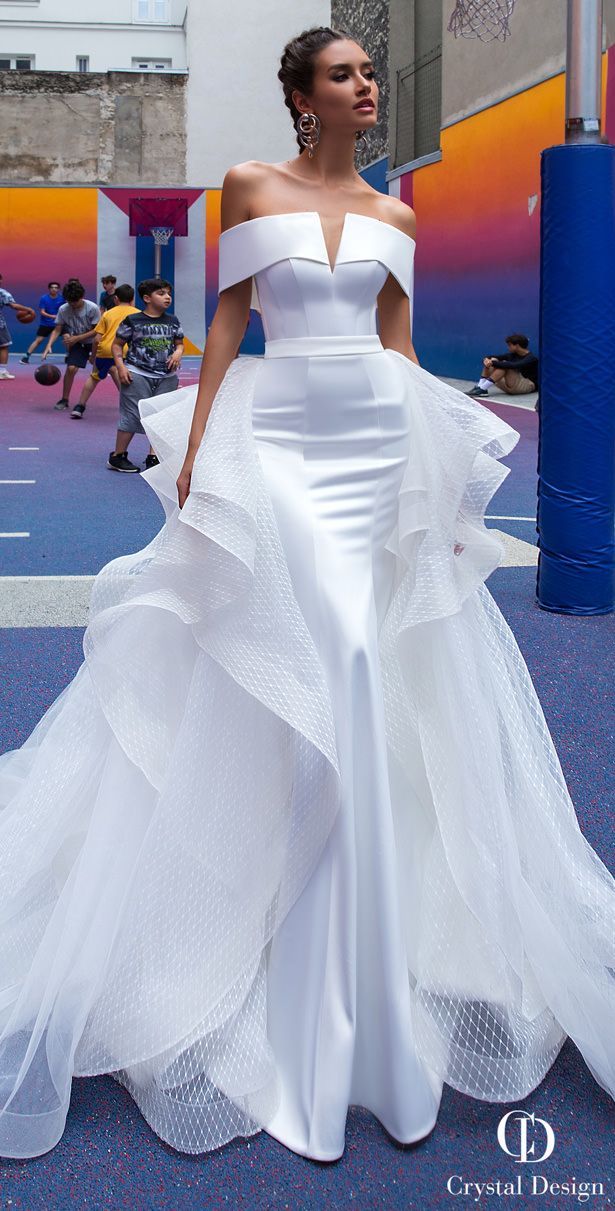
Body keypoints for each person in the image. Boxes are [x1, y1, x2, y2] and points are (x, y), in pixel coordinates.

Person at [0, 26, 613, 1166]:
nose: (366, 85)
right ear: (299, 96)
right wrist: (197, 450)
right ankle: (270, 954)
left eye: (371, 72)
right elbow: (231, 319)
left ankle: (364, 981)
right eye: (343, 73)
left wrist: (434, 461)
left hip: (373, 453)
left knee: (372, 673)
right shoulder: (248, 186)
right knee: (287, 663)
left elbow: (397, 342)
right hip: (276, 453)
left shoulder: (398, 220)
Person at [108, 277, 183, 472]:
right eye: (161, 293)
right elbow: (117, 344)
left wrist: (177, 353)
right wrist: (121, 367)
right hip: (136, 373)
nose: (167, 297)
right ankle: (118, 456)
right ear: (147, 298)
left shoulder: (173, 321)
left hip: (166, 376)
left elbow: (179, 343)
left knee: (161, 416)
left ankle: (153, 456)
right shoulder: (133, 320)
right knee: (132, 415)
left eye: (168, 293)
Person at [70, 283, 139, 420]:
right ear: (132, 299)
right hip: (124, 352)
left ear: (116, 299)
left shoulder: (108, 314)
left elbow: (97, 339)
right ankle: (132, 408)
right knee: (125, 380)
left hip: (105, 351)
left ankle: (80, 406)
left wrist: (93, 356)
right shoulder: (137, 314)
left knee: (94, 377)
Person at [42, 280, 101, 410]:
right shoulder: (63, 309)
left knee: (111, 371)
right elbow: (58, 329)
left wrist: (77, 338)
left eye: (75, 301)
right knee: (71, 369)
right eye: (70, 301)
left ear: (82, 297)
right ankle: (64, 399)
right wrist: (48, 345)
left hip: (95, 342)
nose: (73, 304)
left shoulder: (92, 308)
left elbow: (96, 331)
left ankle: (127, 402)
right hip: (78, 343)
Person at [466, 333, 539, 398]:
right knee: (493, 359)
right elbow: (492, 357)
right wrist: (486, 360)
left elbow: (515, 365)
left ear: (516, 346)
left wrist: (492, 362)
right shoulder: (512, 355)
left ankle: (482, 388)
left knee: (504, 365)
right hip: (512, 385)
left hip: (527, 386)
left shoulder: (531, 358)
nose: (508, 347)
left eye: (509, 345)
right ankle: (480, 387)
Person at [20, 281, 63, 363]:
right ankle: (25, 357)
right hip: (46, 323)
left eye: (56, 288)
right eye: (52, 287)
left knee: (67, 337)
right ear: (49, 289)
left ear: (58, 289)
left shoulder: (62, 299)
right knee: (38, 340)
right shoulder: (44, 298)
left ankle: (69, 357)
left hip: (58, 324)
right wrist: (53, 316)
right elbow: (42, 312)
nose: (54, 289)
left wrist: (59, 318)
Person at [0, 272, 32, 380]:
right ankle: (2, 372)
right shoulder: (2, 293)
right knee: (4, 345)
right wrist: (28, 309)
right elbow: (13, 305)